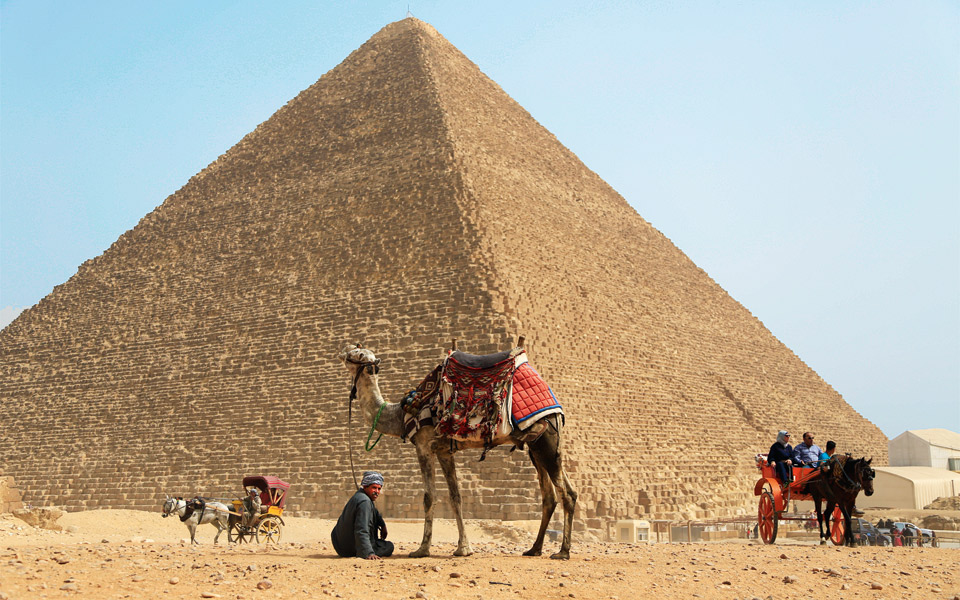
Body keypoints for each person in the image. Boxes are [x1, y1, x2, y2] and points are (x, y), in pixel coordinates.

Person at [331, 471, 393, 559]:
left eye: (379, 489)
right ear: (365, 486)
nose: (377, 492)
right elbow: (361, 529)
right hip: (350, 549)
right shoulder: (365, 502)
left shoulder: (360, 496)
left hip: (339, 545)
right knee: (389, 546)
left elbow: (374, 511)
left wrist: (382, 525)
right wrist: (368, 553)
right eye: (374, 488)